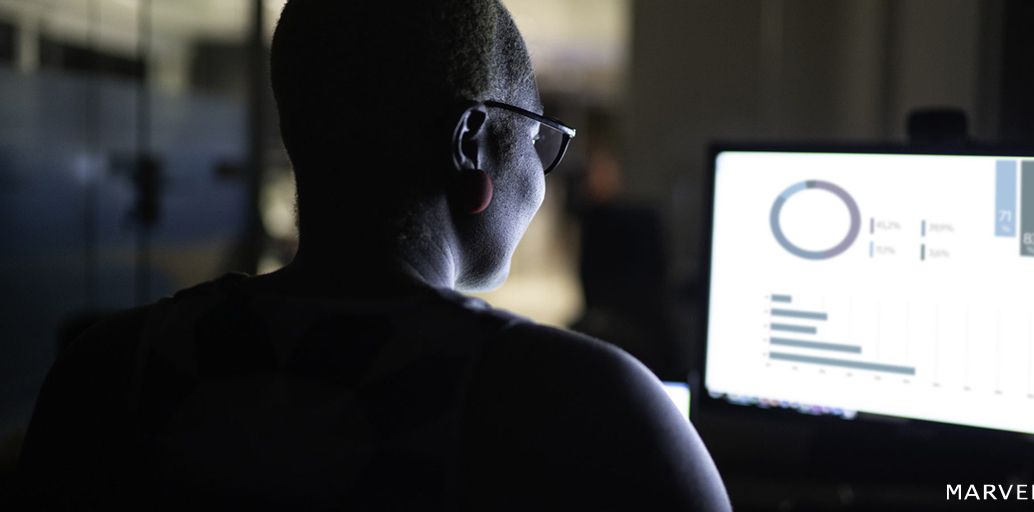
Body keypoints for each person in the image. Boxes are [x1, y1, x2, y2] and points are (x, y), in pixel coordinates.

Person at [16, 0, 731, 510]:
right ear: (471, 142)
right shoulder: (593, 407)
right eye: (538, 137)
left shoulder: (102, 373)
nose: (543, 179)